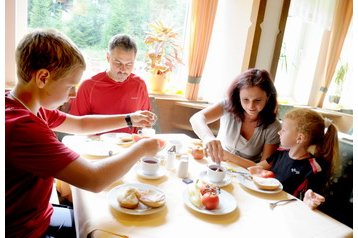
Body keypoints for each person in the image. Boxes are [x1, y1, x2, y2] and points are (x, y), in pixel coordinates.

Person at [5, 29, 162, 238]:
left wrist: (130, 118)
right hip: (26, 230)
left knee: (92, 218)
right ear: (43, 77)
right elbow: (94, 180)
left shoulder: (25, 105)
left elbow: (80, 124)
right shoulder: (24, 128)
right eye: (70, 86)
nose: (73, 94)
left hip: (38, 215)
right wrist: (141, 148)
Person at [248, 108, 340, 209]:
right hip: (268, 202)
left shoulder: (314, 168)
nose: (279, 132)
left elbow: (310, 198)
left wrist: (310, 201)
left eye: (283, 130)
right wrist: (256, 171)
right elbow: (257, 167)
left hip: (289, 210)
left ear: (299, 138)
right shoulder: (280, 152)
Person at [190, 68, 281, 167]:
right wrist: (208, 138)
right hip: (216, 165)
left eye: (257, 100)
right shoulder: (227, 105)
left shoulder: (273, 127)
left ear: (268, 97)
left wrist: (229, 156)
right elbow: (196, 118)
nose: (251, 106)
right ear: (238, 96)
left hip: (246, 175)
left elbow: (264, 168)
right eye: (245, 99)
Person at [70, 34, 151, 134]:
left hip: (128, 144)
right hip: (97, 145)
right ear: (108, 57)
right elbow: (76, 127)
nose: (123, 69)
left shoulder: (139, 85)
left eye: (129, 64)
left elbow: (143, 125)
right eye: (118, 62)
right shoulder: (88, 86)